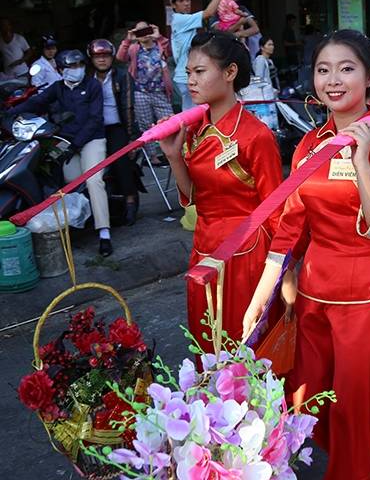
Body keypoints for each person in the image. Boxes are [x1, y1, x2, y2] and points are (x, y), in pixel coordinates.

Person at [243, 30, 370, 480]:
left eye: (346, 68)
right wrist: (264, 292)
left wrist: (361, 161)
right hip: (316, 292)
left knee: (360, 404)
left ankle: (363, 466)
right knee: (308, 396)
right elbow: (291, 224)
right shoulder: (310, 143)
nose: (332, 80)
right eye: (323, 70)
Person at [158, 31, 283, 354]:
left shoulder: (255, 135)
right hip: (204, 246)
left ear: (229, 73)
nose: (191, 81)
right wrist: (173, 156)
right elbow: (195, 197)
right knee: (207, 343)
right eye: (188, 73)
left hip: (246, 254)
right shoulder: (195, 131)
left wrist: (283, 273)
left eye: (200, 72)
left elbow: (274, 210)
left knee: (244, 349)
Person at [10, 50, 112, 255]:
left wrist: (75, 144)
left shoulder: (92, 85)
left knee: (93, 180)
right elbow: (36, 102)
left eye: (80, 65)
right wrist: (9, 112)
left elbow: (95, 119)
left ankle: (104, 233)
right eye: (71, 67)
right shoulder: (58, 88)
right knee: (65, 179)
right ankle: (71, 223)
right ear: (61, 70)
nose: (77, 70)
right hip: (68, 142)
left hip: (91, 139)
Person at [88, 39, 140, 226]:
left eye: (105, 56)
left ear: (111, 57)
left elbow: (129, 106)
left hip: (117, 126)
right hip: (94, 129)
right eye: (97, 56)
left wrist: (132, 136)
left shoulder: (122, 76)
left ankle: (130, 199)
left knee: (121, 160)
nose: (102, 60)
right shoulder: (87, 79)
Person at [169, 0, 233, 111]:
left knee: (194, 113)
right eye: (181, 1)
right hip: (186, 76)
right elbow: (208, 13)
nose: (186, 3)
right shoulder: (180, 19)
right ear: (173, 5)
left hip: (185, 75)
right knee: (194, 114)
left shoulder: (183, 20)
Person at [117, 21, 173, 165]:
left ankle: (172, 152)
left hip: (160, 92)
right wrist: (128, 39)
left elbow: (170, 53)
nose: (143, 34)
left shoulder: (159, 45)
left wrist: (158, 36)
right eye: (139, 31)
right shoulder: (134, 48)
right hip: (140, 92)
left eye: (145, 30)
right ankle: (152, 157)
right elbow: (120, 57)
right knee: (145, 125)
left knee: (169, 121)